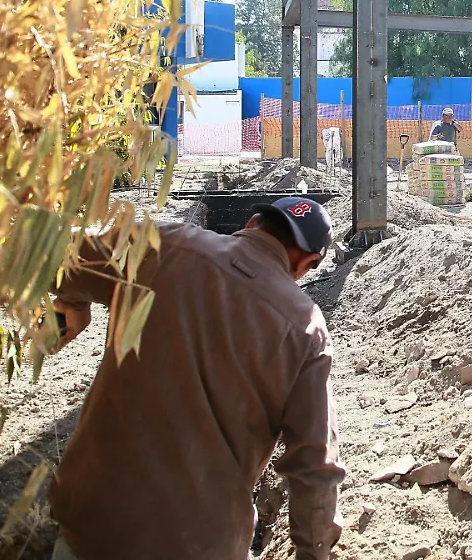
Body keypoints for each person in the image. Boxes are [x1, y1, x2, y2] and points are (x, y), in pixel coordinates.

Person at [49, 197, 345, 560]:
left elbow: (60, 254)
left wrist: (72, 304)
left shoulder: (166, 243)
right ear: (307, 264)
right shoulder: (305, 328)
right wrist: (313, 552)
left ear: (252, 223)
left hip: (92, 526)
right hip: (201, 544)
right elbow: (314, 464)